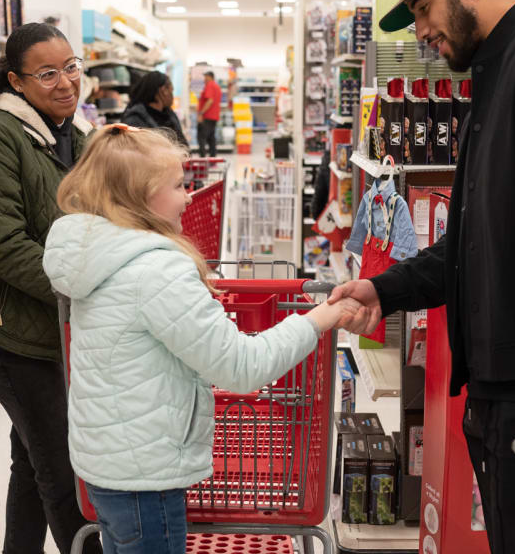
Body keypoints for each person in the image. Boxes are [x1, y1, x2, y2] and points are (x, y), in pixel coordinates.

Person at [328, 0, 515, 554]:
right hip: (500, 390)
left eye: (422, 8)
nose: (420, 31)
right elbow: (473, 238)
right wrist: (384, 288)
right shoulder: (493, 74)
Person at [42, 124, 361, 554]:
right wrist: (319, 318)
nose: (189, 196)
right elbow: (241, 368)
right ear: (140, 196)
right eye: (178, 185)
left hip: (108, 466)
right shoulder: (156, 272)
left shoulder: (97, 257)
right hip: (146, 482)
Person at [0, 22, 99, 554]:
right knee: (60, 467)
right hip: (7, 330)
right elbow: (5, 246)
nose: (65, 83)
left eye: (71, 67)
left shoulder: (76, 136)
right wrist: (82, 290)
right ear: (16, 81)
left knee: (30, 457)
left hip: (51, 327)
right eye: (47, 74)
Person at [120, 71, 187, 146]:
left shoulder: (170, 114)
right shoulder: (134, 120)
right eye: (171, 91)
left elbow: (183, 144)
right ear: (163, 90)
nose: (172, 96)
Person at [196, 70, 222, 156]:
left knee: (201, 137)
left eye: (205, 77)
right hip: (214, 116)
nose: (204, 79)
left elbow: (210, 101)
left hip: (207, 116)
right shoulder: (216, 86)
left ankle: (203, 158)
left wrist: (201, 113)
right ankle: (213, 158)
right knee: (211, 138)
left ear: (210, 77)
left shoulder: (210, 85)